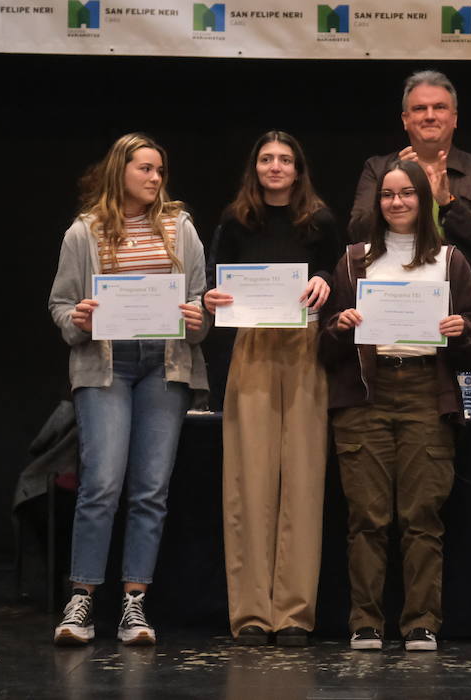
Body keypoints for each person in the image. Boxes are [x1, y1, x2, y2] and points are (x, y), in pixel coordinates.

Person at [47, 133, 209, 646]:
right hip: (106, 365)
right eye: (145, 168)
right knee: (101, 484)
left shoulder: (180, 228)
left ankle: (134, 603)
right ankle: (81, 599)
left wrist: (197, 317)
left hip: (164, 364)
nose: (155, 178)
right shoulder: (85, 231)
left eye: (160, 170)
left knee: (151, 489)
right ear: (120, 171)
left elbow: (200, 301)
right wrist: (76, 319)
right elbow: (60, 304)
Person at [320, 158, 471, 653]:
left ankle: (421, 622)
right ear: (378, 203)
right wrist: (339, 326)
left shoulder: (450, 260)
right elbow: (325, 347)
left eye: (407, 193)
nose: (397, 202)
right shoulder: (354, 260)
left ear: (423, 199)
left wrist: (462, 330)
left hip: (425, 393)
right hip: (364, 397)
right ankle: (365, 622)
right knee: (366, 518)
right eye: (388, 195)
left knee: (422, 517)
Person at [202, 131, 342, 646]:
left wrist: (326, 280)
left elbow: (337, 276)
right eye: (267, 159)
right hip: (253, 343)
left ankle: (294, 613)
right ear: (255, 167)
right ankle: (251, 614)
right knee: (249, 480)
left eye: (285, 159)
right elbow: (214, 283)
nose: (276, 166)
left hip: (306, 345)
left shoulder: (321, 220)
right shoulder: (235, 219)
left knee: (303, 479)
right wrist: (212, 297)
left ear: (298, 170)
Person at [348, 70, 471, 397]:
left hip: (459, 319)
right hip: (392, 315)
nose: (430, 115)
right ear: (405, 119)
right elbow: (356, 232)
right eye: (420, 109)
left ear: (454, 118)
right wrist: (394, 185)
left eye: (439, 107)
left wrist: (448, 203)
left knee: (465, 422)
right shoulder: (378, 169)